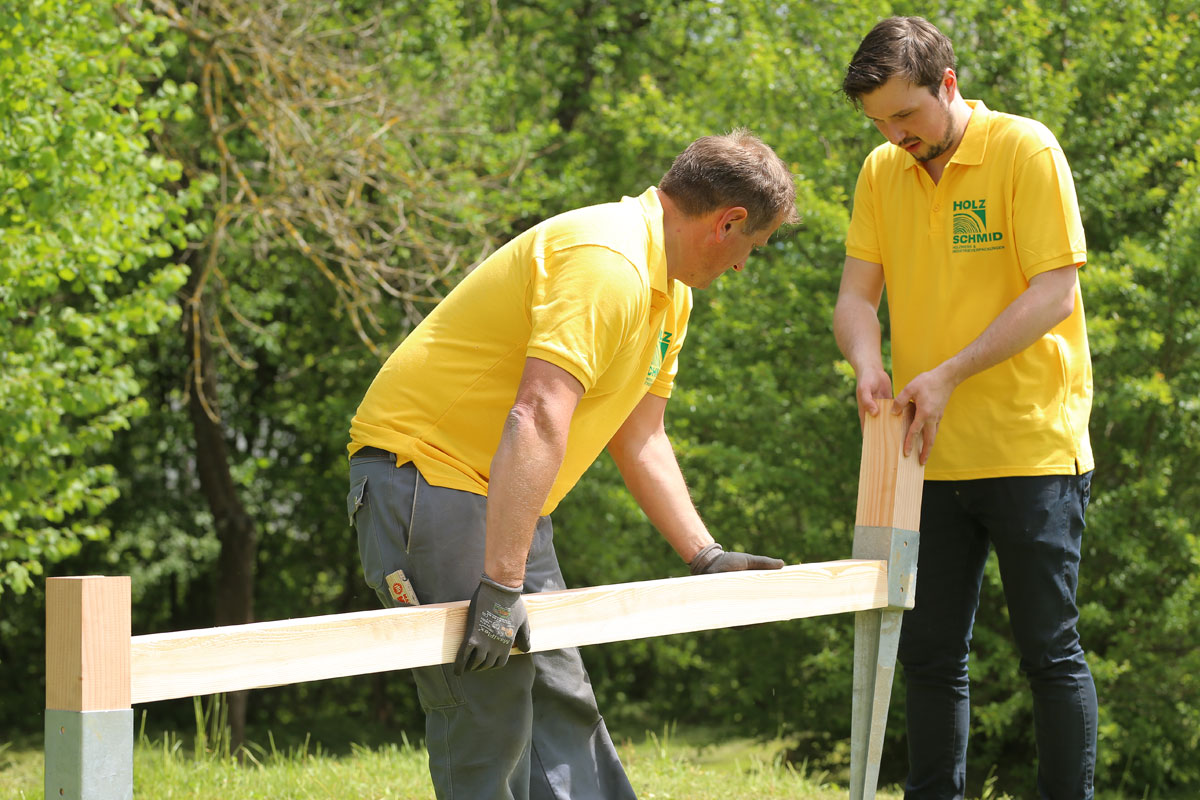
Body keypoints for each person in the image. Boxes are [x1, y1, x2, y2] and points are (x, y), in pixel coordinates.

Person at [346, 129, 797, 800]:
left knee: (561, 696)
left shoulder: (670, 293)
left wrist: (705, 554)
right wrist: (501, 586)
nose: (740, 267)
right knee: (487, 705)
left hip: (510, 499)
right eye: (750, 250)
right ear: (728, 222)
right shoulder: (608, 261)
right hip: (427, 481)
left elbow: (640, 437)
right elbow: (537, 414)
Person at [833, 16, 1098, 800]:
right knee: (929, 657)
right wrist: (867, 361)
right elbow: (855, 295)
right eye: (879, 121)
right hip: (924, 454)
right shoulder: (882, 170)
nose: (893, 134)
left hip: (1031, 449)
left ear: (947, 84)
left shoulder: (1026, 149)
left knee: (1049, 653)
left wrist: (947, 373)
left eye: (905, 114)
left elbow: (1055, 293)